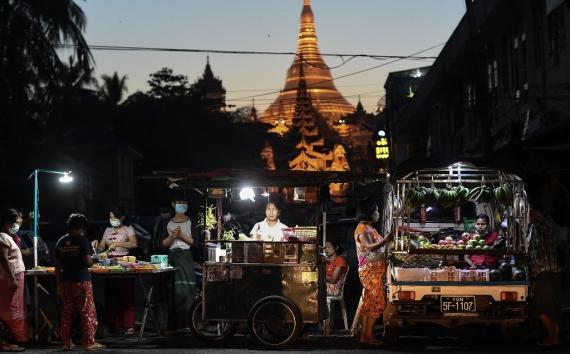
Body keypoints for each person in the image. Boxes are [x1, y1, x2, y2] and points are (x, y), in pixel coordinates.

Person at [55, 213, 105, 351]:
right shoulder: (83, 241)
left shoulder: (61, 241)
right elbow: (88, 262)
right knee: (86, 311)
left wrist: (58, 284)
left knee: (66, 312)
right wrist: (94, 261)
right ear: (82, 226)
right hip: (82, 281)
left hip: (65, 282)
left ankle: (67, 343)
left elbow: (57, 266)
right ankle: (89, 342)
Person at [92, 206, 138, 335]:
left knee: (125, 293)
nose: (112, 220)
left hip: (124, 262)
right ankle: (113, 324)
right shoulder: (107, 230)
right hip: (109, 263)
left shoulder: (128, 229)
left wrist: (118, 244)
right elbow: (102, 247)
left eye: (114, 217)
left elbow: (134, 244)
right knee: (111, 293)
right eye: (110, 217)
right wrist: (96, 243)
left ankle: (128, 324)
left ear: (122, 218)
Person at [353, 199, 393, 346]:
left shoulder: (368, 227)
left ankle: (366, 336)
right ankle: (368, 336)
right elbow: (370, 247)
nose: (378, 213)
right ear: (368, 212)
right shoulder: (362, 230)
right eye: (376, 210)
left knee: (370, 303)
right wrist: (387, 240)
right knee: (377, 303)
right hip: (370, 272)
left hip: (375, 271)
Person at [527, 205, 561, 347]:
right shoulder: (533, 228)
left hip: (547, 273)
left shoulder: (542, 226)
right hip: (543, 273)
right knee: (550, 309)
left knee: (542, 309)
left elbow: (552, 229)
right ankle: (554, 339)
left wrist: (538, 216)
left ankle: (553, 339)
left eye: (529, 210)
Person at [161, 198, 196, 333]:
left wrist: (181, 235)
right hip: (172, 257)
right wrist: (172, 237)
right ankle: (173, 326)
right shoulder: (168, 223)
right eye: (179, 203)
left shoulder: (191, 221)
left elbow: (195, 242)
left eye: (185, 203)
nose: (182, 205)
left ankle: (187, 324)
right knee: (172, 291)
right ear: (173, 205)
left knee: (186, 290)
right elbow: (162, 244)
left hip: (185, 257)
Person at [0, 209, 27, 352]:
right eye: (15, 222)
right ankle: (6, 342)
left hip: (15, 276)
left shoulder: (9, 236)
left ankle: (11, 340)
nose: (17, 225)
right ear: (7, 223)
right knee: (8, 310)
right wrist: (12, 278)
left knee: (14, 309)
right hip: (10, 278)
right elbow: (4, 259)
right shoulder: (3, 236)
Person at [323, 239, 348, 335]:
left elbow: (333, 279)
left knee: (314, 290)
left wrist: (320, 275)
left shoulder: (340, 260)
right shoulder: (326, 261)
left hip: (335, 288)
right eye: (325, 248)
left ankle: (326, 326)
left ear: (336, 248)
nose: (326, 250)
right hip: (327, 285)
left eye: (329, 247)